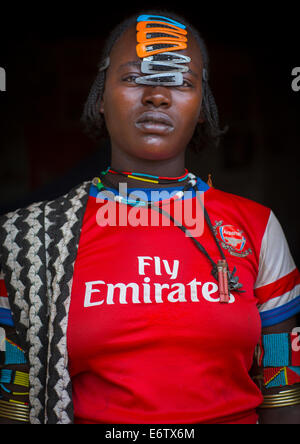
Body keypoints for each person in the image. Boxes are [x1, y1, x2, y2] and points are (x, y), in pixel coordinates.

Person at [0, 10, 299, 425]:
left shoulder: (256, 226)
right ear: (100, 98)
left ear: (201, 105)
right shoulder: (30, 240)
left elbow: (283, 393)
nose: (157, 95)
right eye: (134, 77)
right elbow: (14, 398)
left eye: (181, 82)